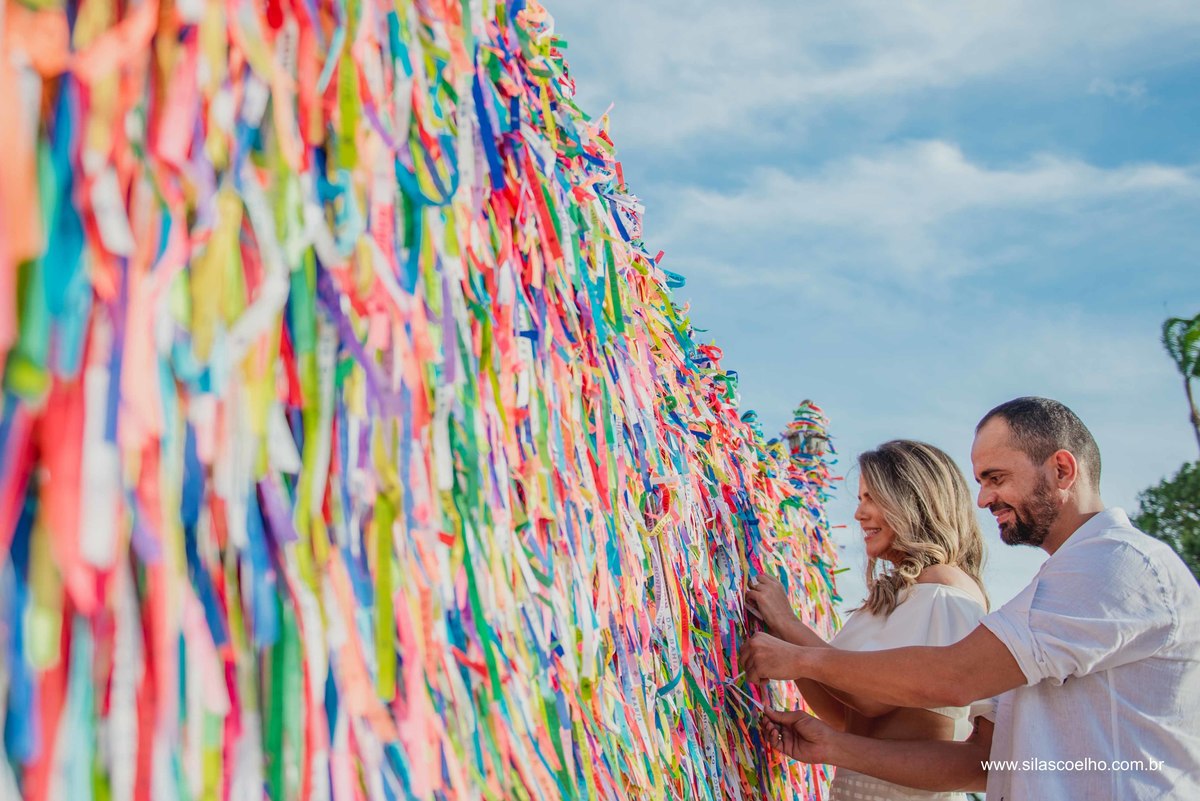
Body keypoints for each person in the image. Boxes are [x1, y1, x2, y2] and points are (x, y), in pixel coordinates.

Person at [741, 397, 1200, 800]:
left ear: (1062, 469)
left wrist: (799, 656)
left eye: (996, 477)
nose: (982, 499)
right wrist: (830, 746)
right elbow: (981, 762)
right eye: (981, 480)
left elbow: (953, 677)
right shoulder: (1049, 590)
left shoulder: (1116, 562)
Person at [746, 439, 990, 801]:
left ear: (914, 501)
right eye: (861, 499)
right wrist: (783, 634)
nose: (859, 514)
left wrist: (790, 626)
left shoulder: (943, 589)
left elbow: (870, 698)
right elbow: (842, 712)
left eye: (872, 498)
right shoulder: (902, 592)